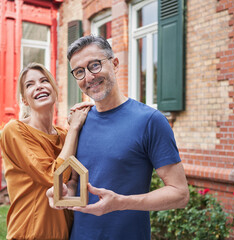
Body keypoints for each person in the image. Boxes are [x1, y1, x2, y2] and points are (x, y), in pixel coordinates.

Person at [47, 35, 190, 240]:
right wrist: (66, 194)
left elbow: (180, 194)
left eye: (94, 65)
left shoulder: (150, 120)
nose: (88, 77)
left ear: (114, 64)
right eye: (79, 72)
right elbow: (76, 179)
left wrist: (121, 202)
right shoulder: (79, 121)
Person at [0, 62, 92, 240]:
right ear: (24, 99)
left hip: (64, 232)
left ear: (54, 90)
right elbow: (53, 178)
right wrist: (74, 128)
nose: (39, 86)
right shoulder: (16, 130)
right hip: (30, 233)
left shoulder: (65, 136)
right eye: (30, 84)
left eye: (44, 81)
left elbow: (73, 180)